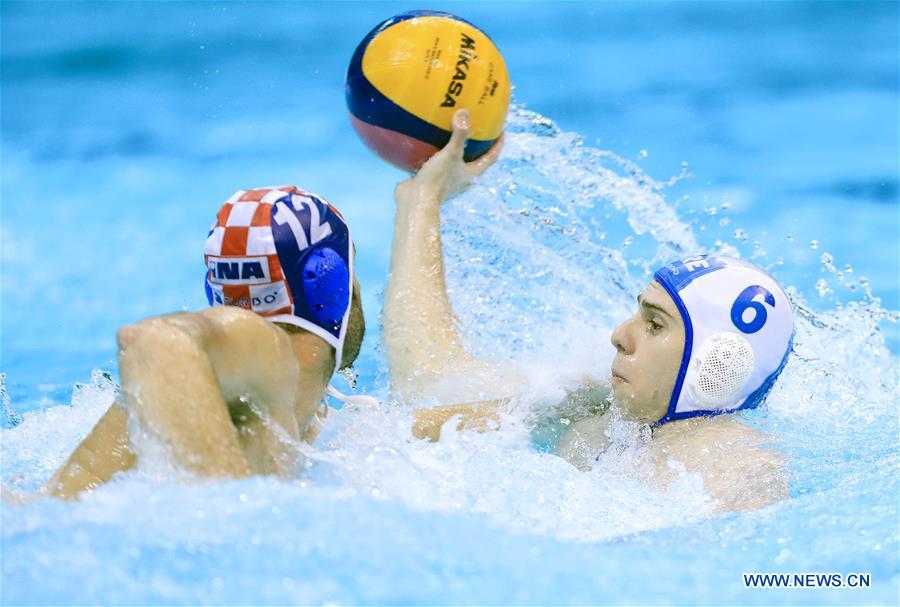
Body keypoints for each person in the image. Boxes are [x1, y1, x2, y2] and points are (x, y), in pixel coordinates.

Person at [385, 110, 794, 514]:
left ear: (716, 366)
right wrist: (422, 202)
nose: (620, 335)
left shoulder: (738, 469)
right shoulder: (595, 407)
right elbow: (433, 381)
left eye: (655, 325)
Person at [43, 185, 366, 499]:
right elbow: (155, 341)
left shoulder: (311, 420)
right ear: (330, 284)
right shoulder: (265, 349)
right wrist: (229, 516)